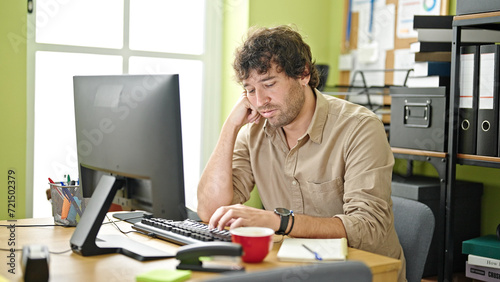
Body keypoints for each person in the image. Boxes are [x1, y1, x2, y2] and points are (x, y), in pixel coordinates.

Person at [197, 25, 406, 281]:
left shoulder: (360, 127)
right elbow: (210, 211)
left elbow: (368, 227)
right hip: (294, 269)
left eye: (269, 84)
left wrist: (279, 222)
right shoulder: (253, 132)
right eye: (250, 90)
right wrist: (230, 127)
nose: (260, 100)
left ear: (303, 74)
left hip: (361, 271)